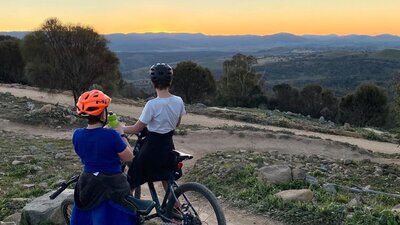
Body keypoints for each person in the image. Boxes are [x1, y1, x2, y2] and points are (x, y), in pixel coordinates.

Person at [70, 89, 138, 225]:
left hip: (87, 182)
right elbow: (129, 156)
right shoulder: (111, 136)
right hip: (112, 183)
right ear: (102, 115)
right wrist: (121, 133)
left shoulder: (77, 134)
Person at [123, 63, 186, 190]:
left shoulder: (152, 104)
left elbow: (136, 129)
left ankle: (128, 207)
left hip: (151, 149)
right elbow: (177, 124)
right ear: (170, 81)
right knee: (166, 177)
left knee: (132, 180)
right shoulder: (178, 100)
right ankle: (175, 206)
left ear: (153, 82)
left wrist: (120, 128)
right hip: (168, 146)